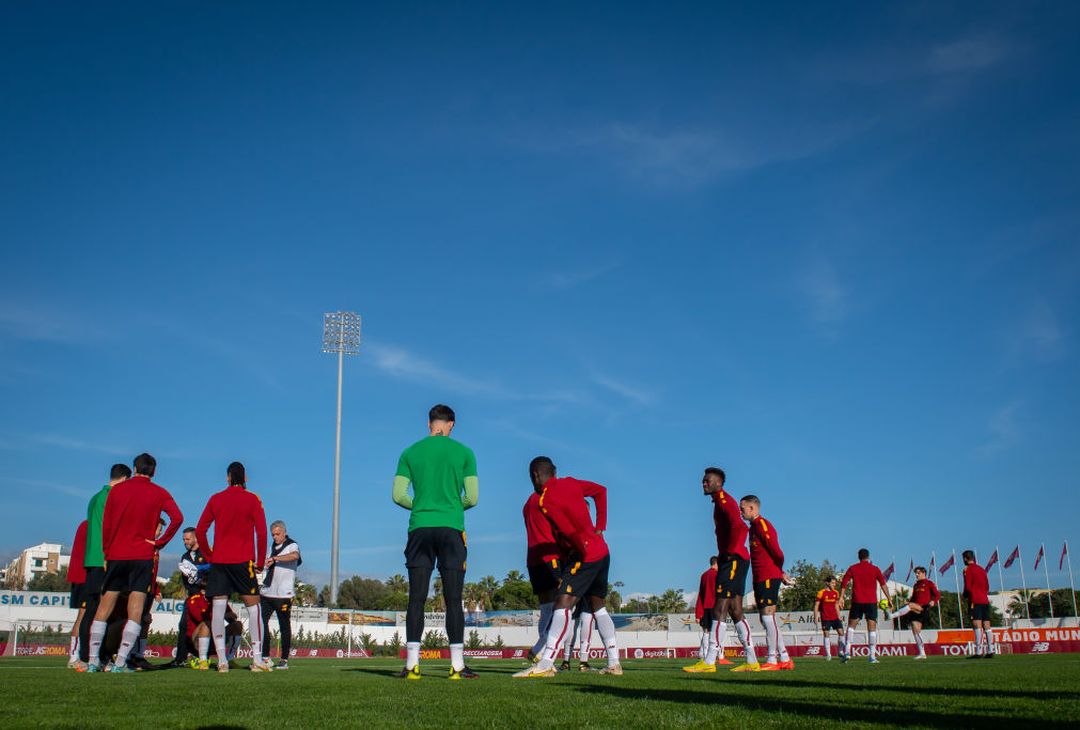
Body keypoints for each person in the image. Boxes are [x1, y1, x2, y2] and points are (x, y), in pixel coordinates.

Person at [391, 404, 479, 680]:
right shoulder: (464, 452)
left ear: (429, 423)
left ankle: (412, 666)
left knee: (416, 598)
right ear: (451, 424)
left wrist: (423, 505)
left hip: (419, 529)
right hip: (451, 528)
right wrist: (451, 506)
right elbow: (473, 498)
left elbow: (398, 495)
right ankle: (457, 666)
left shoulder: (409, 452)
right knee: (453, 599)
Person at [513, 457, 621, 678]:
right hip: (602, 550)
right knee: (598, 607)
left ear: (535, 476)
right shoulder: (571, 482)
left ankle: (545, 663)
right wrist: (600, 526)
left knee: (562, 604)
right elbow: (601, 491)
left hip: (584, 556)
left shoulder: (544, 501)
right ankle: (614, 663)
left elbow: (565, 530)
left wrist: (578, 548)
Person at [86, 454, 182, 673]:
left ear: (134, 468)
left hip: (117, 555)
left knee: (104, 607)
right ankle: (121, 662)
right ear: (154, 471)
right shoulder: (159, 492)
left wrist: (107, 552)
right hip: (142, 555)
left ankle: (93, 661)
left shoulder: (117, 491)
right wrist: (159, 543)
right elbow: (177, 517)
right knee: (136, 610)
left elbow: (107, 525)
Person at [195, 461, 270, 673]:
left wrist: (210, 555)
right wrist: (261, 561)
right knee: (254, 608)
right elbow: (262, 533)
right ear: (245, 479)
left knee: (218, 610)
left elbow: (201, 530)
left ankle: (221, 661)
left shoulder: (215, 499)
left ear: (228, 478)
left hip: (219, 562)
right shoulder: (253, 499)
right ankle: (257, 659)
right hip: (243, 561)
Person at [683, 467, 760, 673]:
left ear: (718, 482)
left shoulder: (725, 502)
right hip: (735, 560)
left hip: (733, 560)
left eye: (707, 480)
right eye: (703, 480)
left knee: (719, 608)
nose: (703, 483)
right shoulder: (719, 502)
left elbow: (740, 527)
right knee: (736, 611)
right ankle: (752, 660)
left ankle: (709, 662)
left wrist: (730, 551)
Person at [75, 463, 131, 671]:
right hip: (107, 559)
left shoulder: (94, 498)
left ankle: (84, 658)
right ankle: (102, 658)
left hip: (91, 560)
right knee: (107, 610)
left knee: (91, 610)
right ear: (124, 480)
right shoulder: (113, 497)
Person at [741, 495, 794, 670]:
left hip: (768, 576)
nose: (741, 512)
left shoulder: (762, 525)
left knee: (767, 617)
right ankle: (785, 657)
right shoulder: (752, 528)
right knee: (765, 619)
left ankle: (773, 659)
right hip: (760, 577)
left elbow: (777, 552)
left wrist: (779, 572)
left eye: (743, 509)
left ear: (752, 508)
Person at [523, 483, 564, 664]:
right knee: (564, 603)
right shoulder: (546, 499)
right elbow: (559, 527)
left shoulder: (527, 503)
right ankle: (540, 649)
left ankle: (541, 651)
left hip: (533, 557)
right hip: (550, 555)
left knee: (546, 607)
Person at [260, 520, 301, 669]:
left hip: (284, 594)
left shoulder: (292, 545)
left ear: (284, 532)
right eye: (273, 535)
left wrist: (276, 559)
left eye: (278, 534)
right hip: (267, 592)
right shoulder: (271, 547)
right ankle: (265, 656)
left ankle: (284, 659)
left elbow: (295, 556)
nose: (275, 537)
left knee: (284, 626)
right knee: (261, 622)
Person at [840, 548, 890, 664]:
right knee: (872, 628)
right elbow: (883, 585)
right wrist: (889, 598)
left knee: (851, 626)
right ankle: (872, 656)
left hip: (857, 601)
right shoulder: (875, 569)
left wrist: (841, 597)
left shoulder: (853, 568)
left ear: (858, 557)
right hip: (871, 602)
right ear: (869, 557)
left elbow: (844, 582)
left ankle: (847, 652)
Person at [170, 527, 208, 667]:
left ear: (196, 538)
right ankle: (180, 659)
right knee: (184, 625)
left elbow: (212, 571)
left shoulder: (206, 553)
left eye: (188, 539)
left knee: (203, 627)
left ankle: (201, 656)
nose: (185, 542)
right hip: (192, 596)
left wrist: (201, 575)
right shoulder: (185, 557)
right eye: (184, 539)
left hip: (205, 597)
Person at [184, 581, 243, 670]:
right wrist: (223, 614)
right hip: (196, 640)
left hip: (215, 638)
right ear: (203, 591)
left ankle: (229, 659)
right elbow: (201, 618)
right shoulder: (194, 600)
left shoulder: (218, 601)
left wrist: (227, 614)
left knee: (237, 625)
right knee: (207, 623)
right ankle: (202, 661)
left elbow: (232, 617)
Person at [891, 566, 939, 659]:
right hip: (915, 609)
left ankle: (892, 616)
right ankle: (922, 653)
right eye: (916, 573)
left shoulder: (929, 583)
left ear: (923, 573)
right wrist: (908, 602)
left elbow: (937, 595)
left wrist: (933, 601)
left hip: (923, 608)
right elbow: (913, 598)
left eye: (918, 573)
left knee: (911, 606)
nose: (916, 575)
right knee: (915, 630)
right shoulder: (916, 585)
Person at [693, 556, 731, 666]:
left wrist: (698, 612)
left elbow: (701, 594)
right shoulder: (718, 575)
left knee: (706, 632)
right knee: (718, 630)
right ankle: (720, 657)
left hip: (705, 608)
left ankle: (704, 655)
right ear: (717, 563)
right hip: (716, 606)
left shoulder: (704, 575)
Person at [962, 550, 994, 659]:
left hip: (974, 599)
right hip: (984, 599)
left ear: (965, 559)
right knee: (987, 625)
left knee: (976, 624)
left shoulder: (967, 570)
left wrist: (965, 595)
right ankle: (990, 650)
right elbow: (987, 585)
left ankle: (979, 651)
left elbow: (967, 586)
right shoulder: (982, 569)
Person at [67, 520, 88, 669]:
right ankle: (74, 656)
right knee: (83, 615)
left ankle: (78, 655)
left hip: (83, 576)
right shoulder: (91, 526)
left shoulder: (87, 525)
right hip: (85, 576)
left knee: (87, 617)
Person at [813, 576, 846, 661]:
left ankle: (840, 651)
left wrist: (839, 616)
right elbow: (816, 605)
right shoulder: (821, 593)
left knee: (841, 633)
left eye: (835, 583)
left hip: (835, 617)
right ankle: (828, 655)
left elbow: (836, 605)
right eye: (832, 583)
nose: (834, 585)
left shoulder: (836, 593)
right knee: (826, 634)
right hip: (825, 617)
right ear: (827, 583)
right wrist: (815, 617)